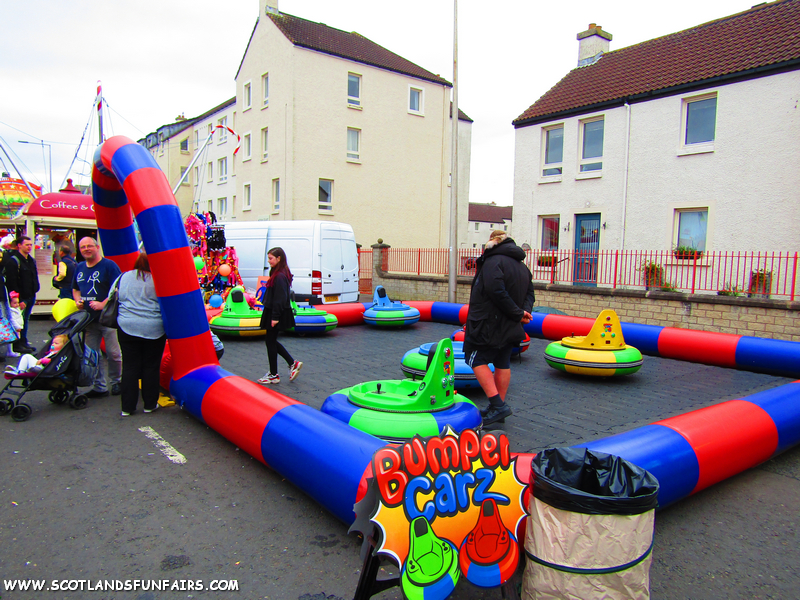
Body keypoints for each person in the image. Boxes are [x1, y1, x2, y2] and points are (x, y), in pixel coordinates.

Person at [463, 230, 535, 426]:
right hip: (511, 324)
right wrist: (523, 312)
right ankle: (498, 408)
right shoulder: (522, 267)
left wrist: (517, 313)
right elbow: (530, 293)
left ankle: (497, 405)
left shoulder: (493, 261)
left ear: (492, 243)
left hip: (488, 322)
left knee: (474, 357)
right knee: (503, 361)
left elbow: (495, 291)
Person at [116, 252, 167, 416]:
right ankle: (150, 404)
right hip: (154, 327)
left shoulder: (123, 277)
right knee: (151, 367)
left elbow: (115, 296)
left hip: (127, 326)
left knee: (129, 366)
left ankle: (127, 408)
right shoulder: (158, 279)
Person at [72, 237, 122, 398]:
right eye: (83, 247)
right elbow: (75, 288)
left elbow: (117, 289)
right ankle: (99, 386)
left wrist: (103, 304)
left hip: (108, 318)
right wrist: (77, 300)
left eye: (89, 246)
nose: (86, 249)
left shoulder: (109, 265)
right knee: (92, 354)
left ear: (97, 247)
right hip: (88, 320)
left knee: (114, 353)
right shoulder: (79, 267)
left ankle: (117, 382)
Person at [257, 247, 302, 384]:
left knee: (270, 341)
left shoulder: (280, 276)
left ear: (279, 259)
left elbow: (280, 298)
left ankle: (276, 373)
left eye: (271, 258)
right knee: (270, 341)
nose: (269, 261)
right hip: (273, 311)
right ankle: (286, 366)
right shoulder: (277, 273)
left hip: (275, 312)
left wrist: (275, 317)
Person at [4, 235, 39, 354]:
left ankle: (23, 341)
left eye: (30, 245)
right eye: (26, 245)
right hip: (21, 297)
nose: (29, 247)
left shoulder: (31, 260)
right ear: (19, 245)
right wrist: (18, 299)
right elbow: (12, 282)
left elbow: (33, 277)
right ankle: (17, 344)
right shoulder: (14, 261)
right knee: (18, 320)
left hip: (31, 294)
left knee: (25, 319)